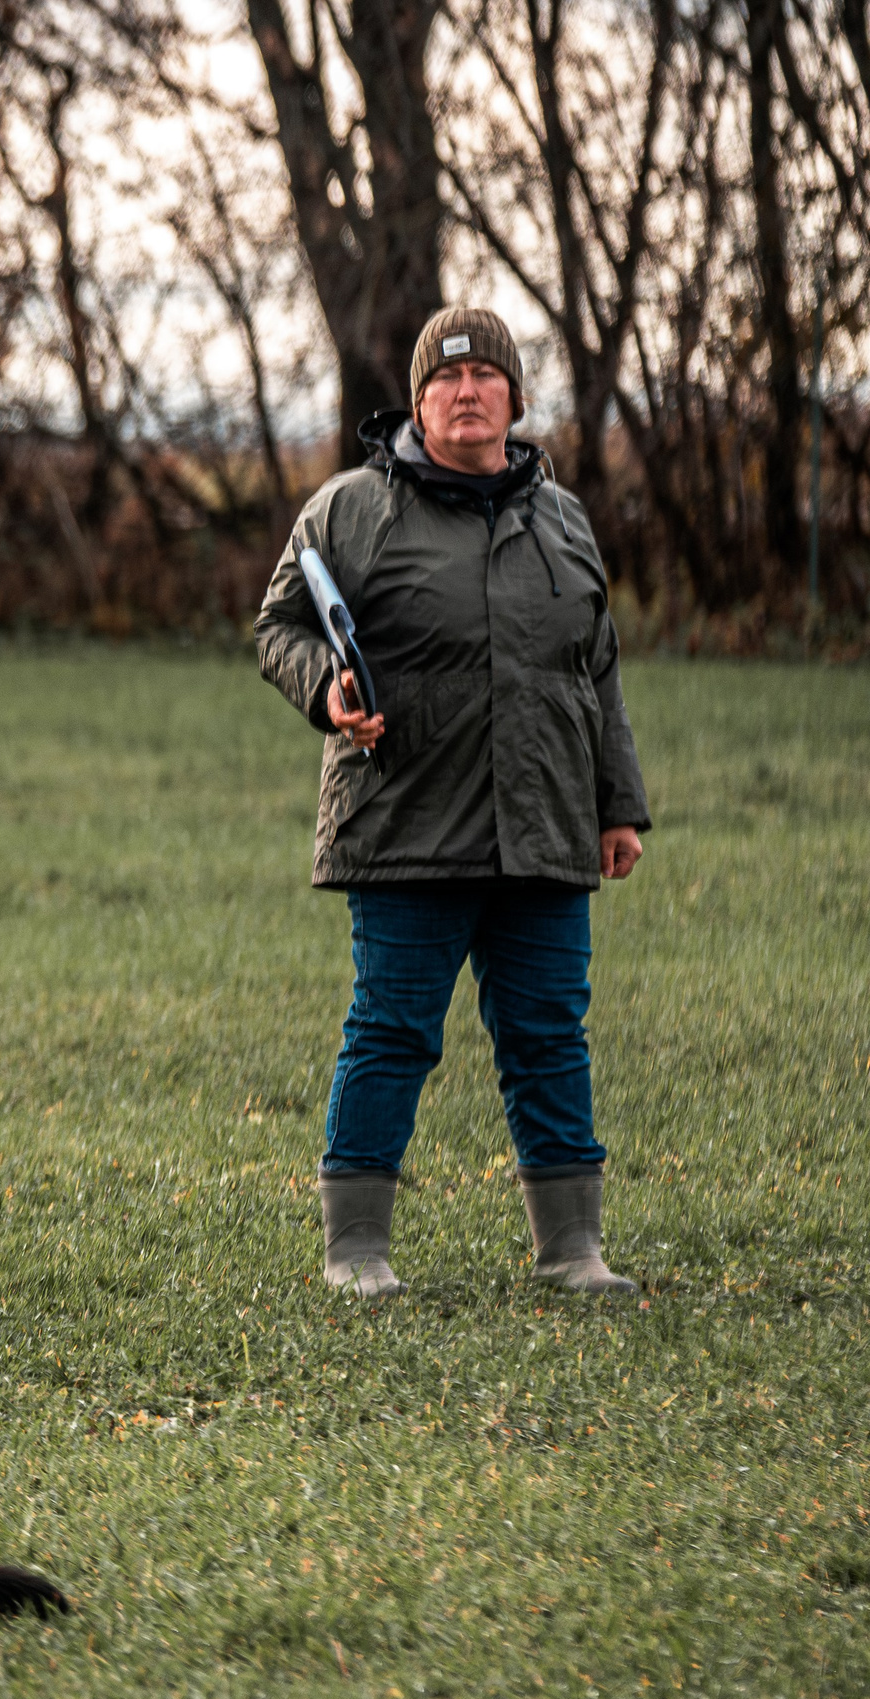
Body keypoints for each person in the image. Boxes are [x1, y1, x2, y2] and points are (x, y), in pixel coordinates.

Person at [255, 307, 652, 1299]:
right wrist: (325, 688)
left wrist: (617, 804)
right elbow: (279, 625)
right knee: (393, 1029)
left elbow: (594, 670)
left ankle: (571, 1248)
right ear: (419, 401)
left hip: (544, 826)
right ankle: (355, 1250)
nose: (466, 393)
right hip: (404, 823)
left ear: (514, 400)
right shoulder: (348, 510)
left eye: (486, 379)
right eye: (446, 379)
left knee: (548, 1032)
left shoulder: (560, 519)